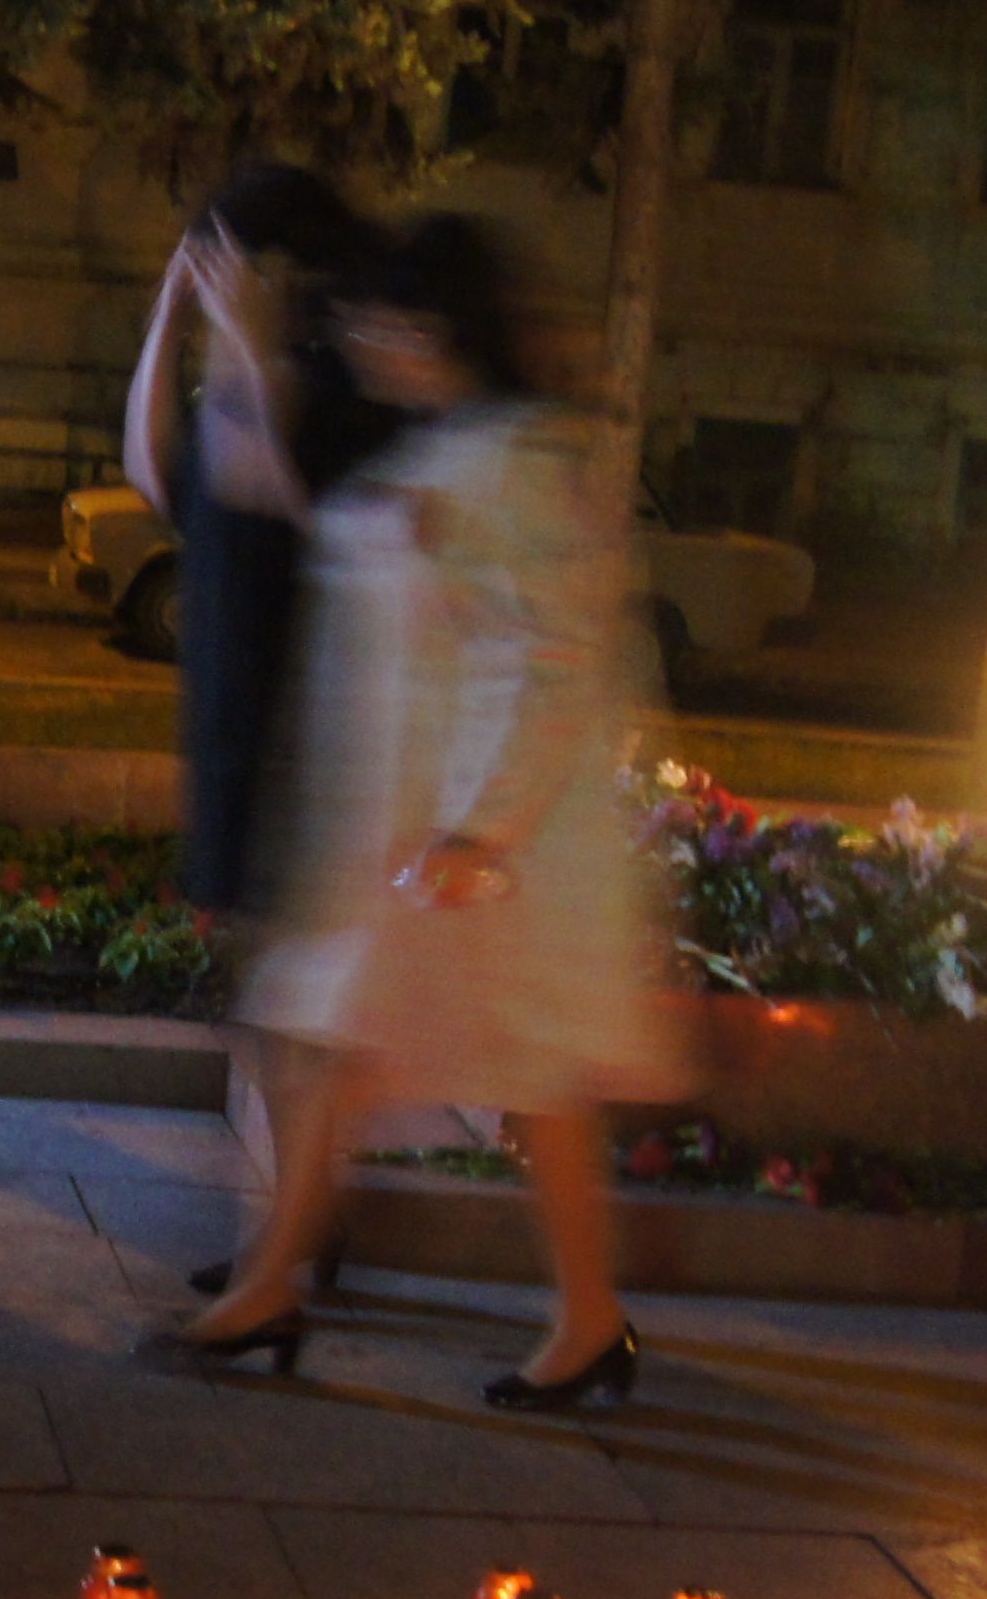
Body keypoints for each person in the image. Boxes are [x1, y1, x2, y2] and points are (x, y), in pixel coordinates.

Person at [157, 213, 686, 1409]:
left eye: (372, 321)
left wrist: (481, 832)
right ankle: (289, 1287)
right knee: (344, 1046)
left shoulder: (519, 461)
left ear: (428, 328)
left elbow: (554, 662)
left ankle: (302, 1292)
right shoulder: (439, 449)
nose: (355, 341)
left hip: (481, 854)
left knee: (489, 1074)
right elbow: (281, 505)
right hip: (411, 841)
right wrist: (234, 342)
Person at [120, 163, 382, 919]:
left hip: (295, 723)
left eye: (225, 262)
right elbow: (151, 470)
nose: (215, 283)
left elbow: (279, 490)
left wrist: (247, 337)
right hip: (222, 704)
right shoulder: (238, 381)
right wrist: (170, 320)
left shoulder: (333, 383)